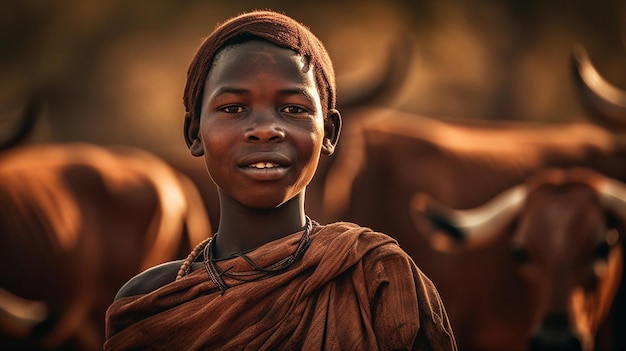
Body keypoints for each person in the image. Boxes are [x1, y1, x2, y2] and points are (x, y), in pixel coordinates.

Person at [104, 9, 457, 350]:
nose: (264, 130)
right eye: (233, 108)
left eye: (293, 109)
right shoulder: (149, 302)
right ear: (194, 133)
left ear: (330, 132)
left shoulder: (379, 279)